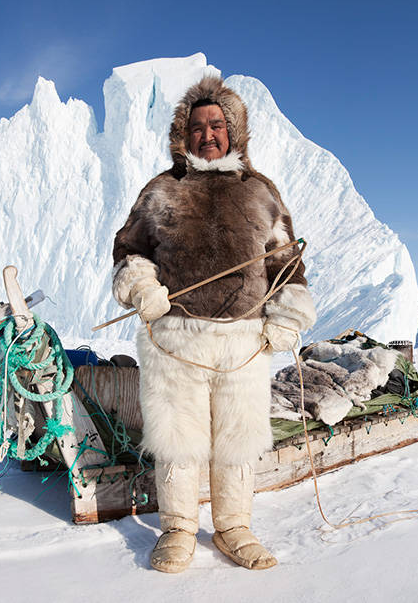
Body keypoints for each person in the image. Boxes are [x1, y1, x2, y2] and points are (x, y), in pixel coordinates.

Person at [111, 76, 316, 573]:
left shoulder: (261, 193)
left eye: (217, 124)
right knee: (177, 440)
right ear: (184, 135)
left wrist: (287, 315)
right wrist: (141, 287)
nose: (208, 134)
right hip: (175, 338)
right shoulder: (161, 190)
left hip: (243, 340)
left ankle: (234, 527)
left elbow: (286, 262)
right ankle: (177, 529)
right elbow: (128, 251)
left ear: (234, 132)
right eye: (198, 126)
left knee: (238, 439)